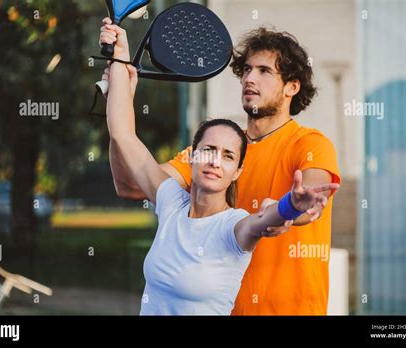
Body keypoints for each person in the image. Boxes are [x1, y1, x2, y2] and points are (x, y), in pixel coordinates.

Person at [100, 20, 339, 315]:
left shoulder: (310, 144)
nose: (250, 78)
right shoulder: (219, 149)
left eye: (264, 71)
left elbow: (309, 198)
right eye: (246, 70)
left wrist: (291, 205)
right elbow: (131, 183)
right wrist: (119, 86)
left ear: (292, 86)